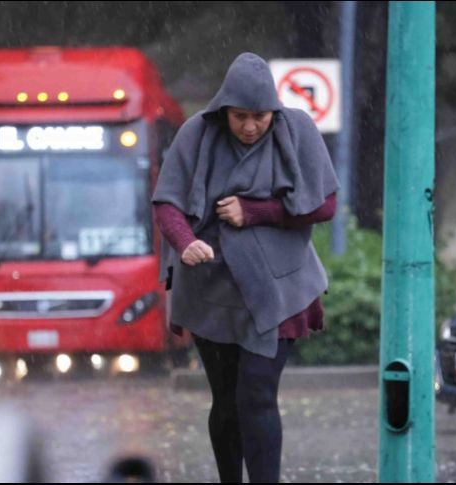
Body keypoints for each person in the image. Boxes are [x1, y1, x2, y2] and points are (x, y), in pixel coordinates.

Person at [152, 52, 338, 483]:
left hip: (277, 289)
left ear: (274, 110)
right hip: (210, 289)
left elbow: (324, 204)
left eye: (260, 116)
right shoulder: (196, 134)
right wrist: (187, 242)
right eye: (240, 117)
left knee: (257, 394)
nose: (251, 126)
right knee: (226, 400)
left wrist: (256, 211)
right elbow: (167, 203)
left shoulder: (297, 130)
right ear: (224, 109)